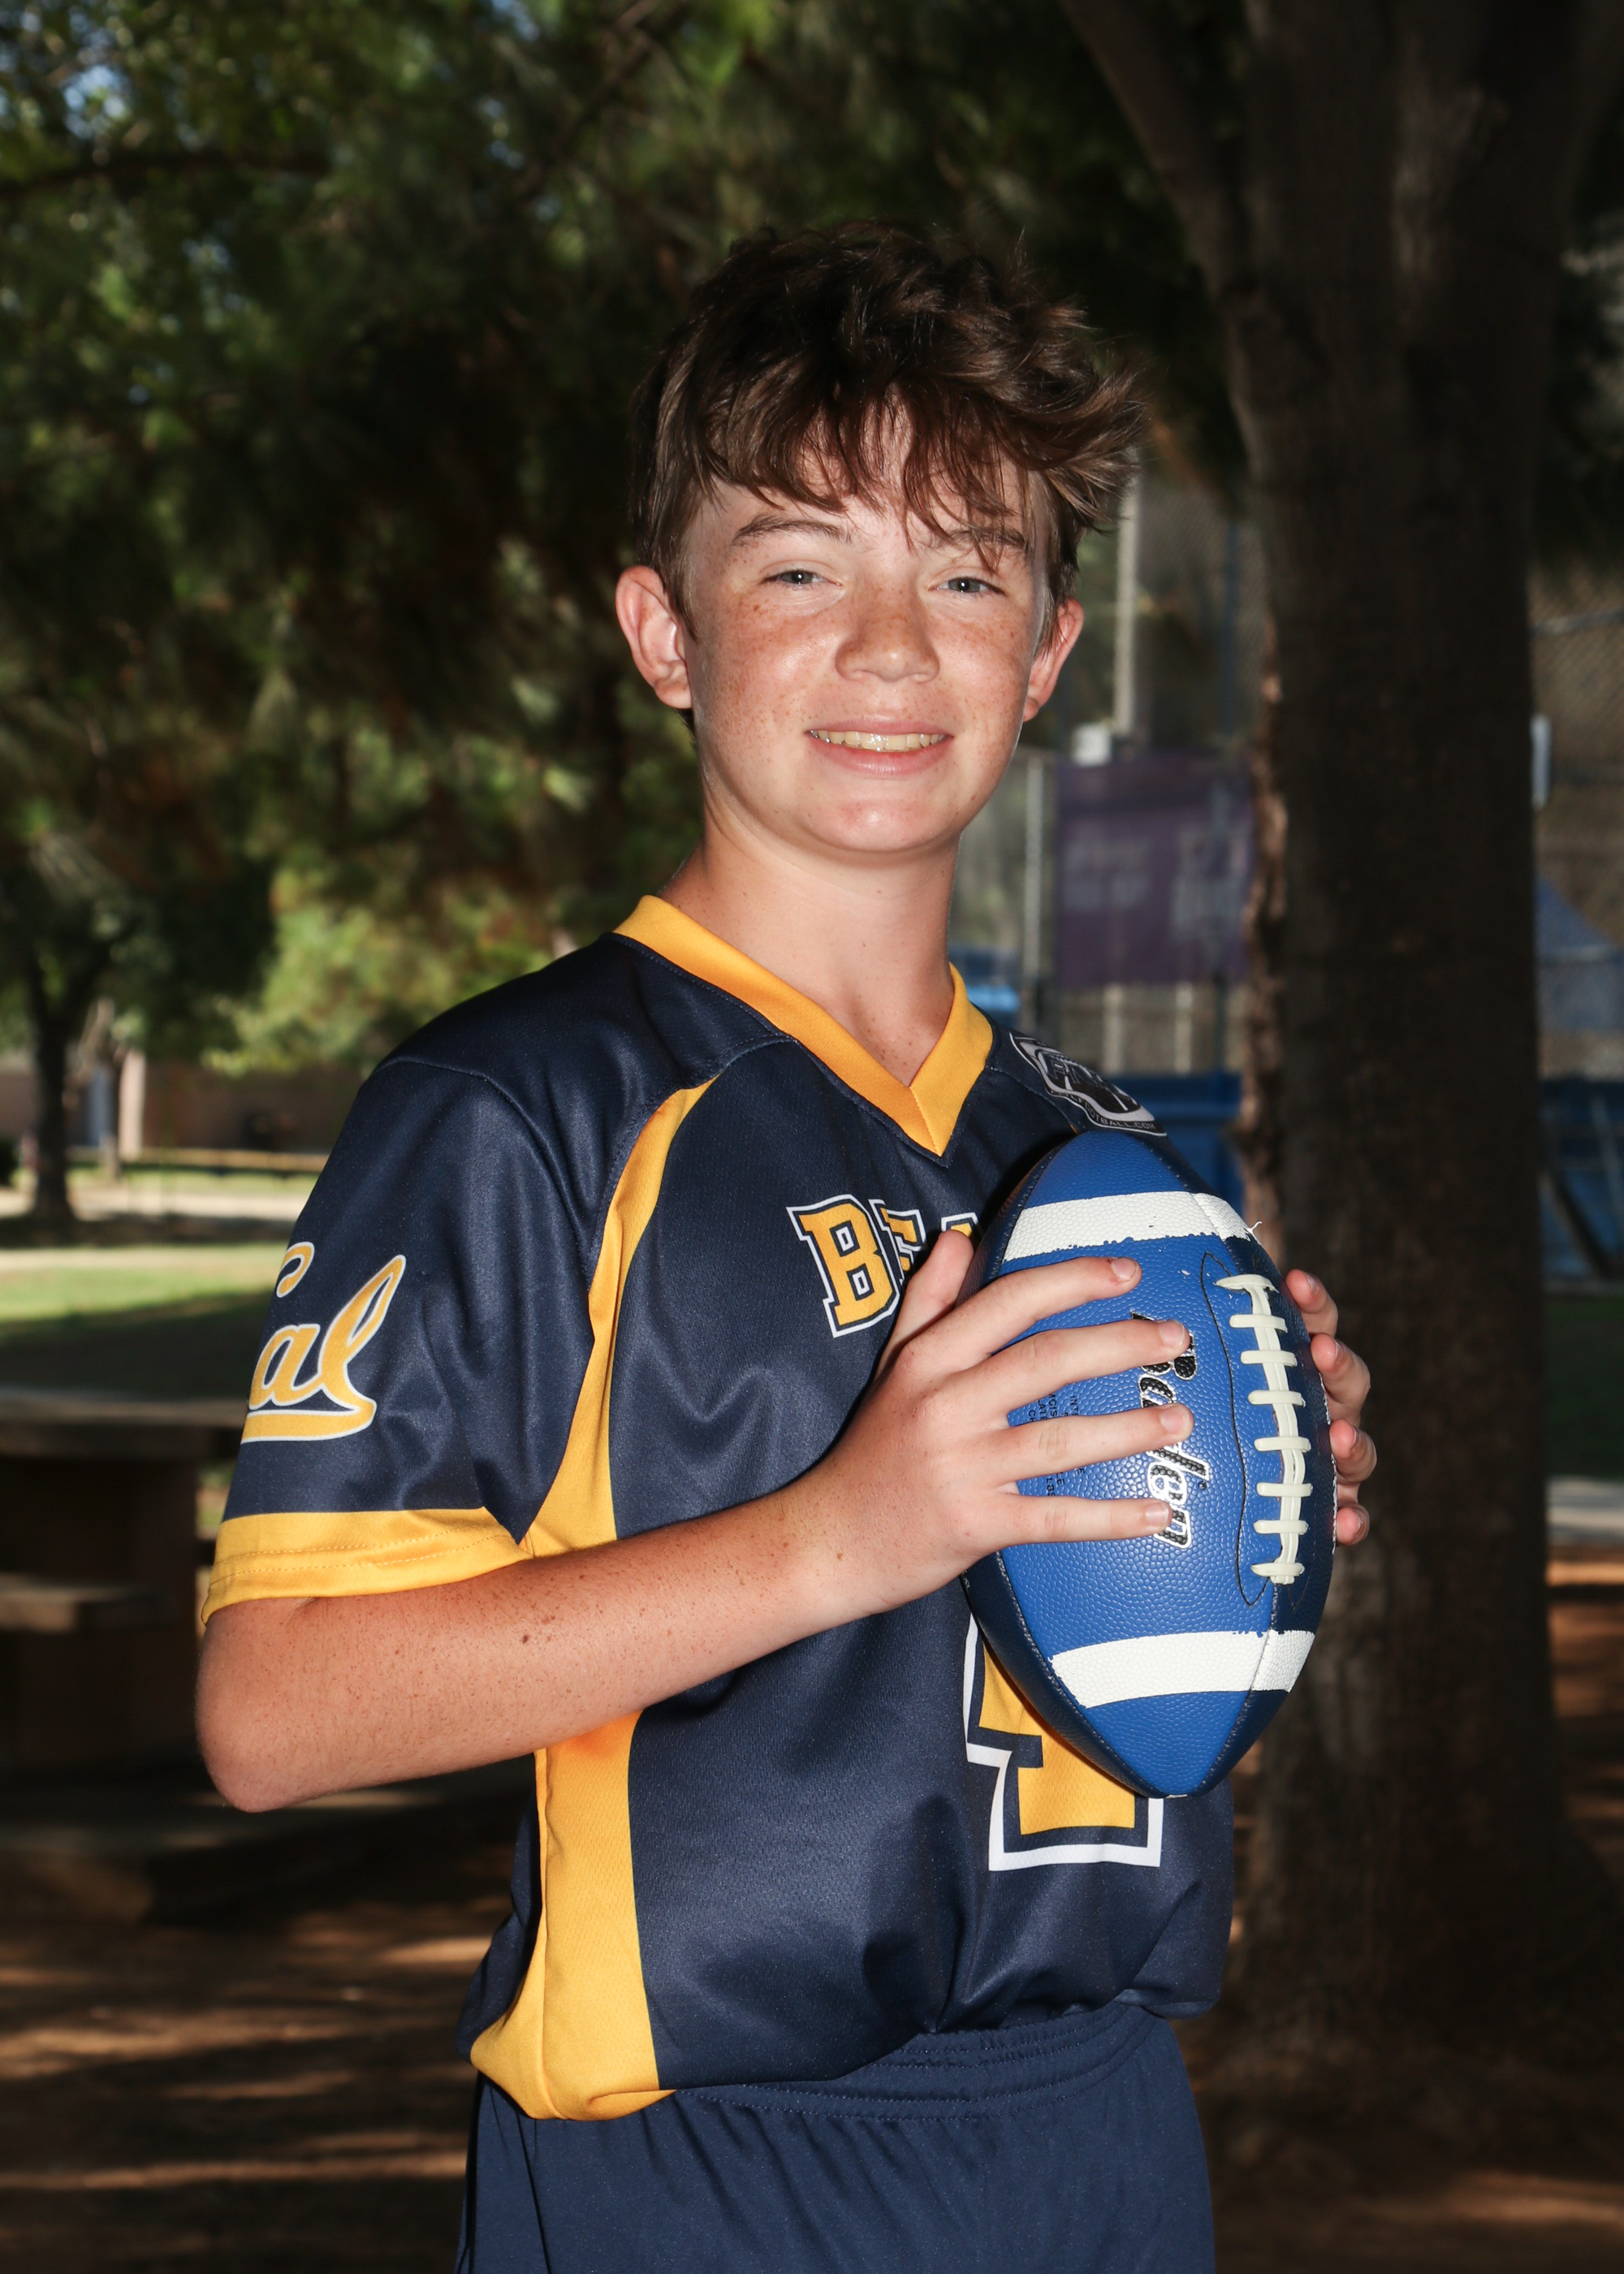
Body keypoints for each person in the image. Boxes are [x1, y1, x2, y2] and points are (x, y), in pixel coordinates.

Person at [197, 227, 1375, 2273]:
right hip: (715, 2172)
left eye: (968, 575)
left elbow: (1099, 1654)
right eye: (801, 568)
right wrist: (848, 1532)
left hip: (1106, 2127)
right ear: (665, 631)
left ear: (1049, 650)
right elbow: (273, 1706)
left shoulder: (1102, 1152)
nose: (893, 646)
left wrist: (1258, 1503)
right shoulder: (524, 1106)